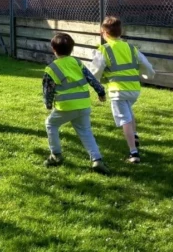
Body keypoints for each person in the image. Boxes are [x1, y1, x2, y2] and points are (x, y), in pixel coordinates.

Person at [89, 16, 155, 163]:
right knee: (129, 113)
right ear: (121, 32)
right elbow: (147, 65)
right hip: (134, 90)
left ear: (103, 32)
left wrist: (94, 82)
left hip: (117, 91)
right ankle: (135, 135)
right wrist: (149, 75)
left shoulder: (103, 50)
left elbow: (95, 71)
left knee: (124, 119)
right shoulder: (131, 48)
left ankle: (133, 153)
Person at [43, 32, 110, 174]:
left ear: (53, 49)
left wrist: (48, 104)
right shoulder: (77, 62)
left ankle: (56, 155)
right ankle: (97, 159)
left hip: (66, 107)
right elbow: (91, 78)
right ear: (72, 49)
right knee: (85, 131)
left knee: (51, 124)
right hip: (83, 105)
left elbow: (48, 89)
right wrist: (101, 92)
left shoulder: (51, 68)